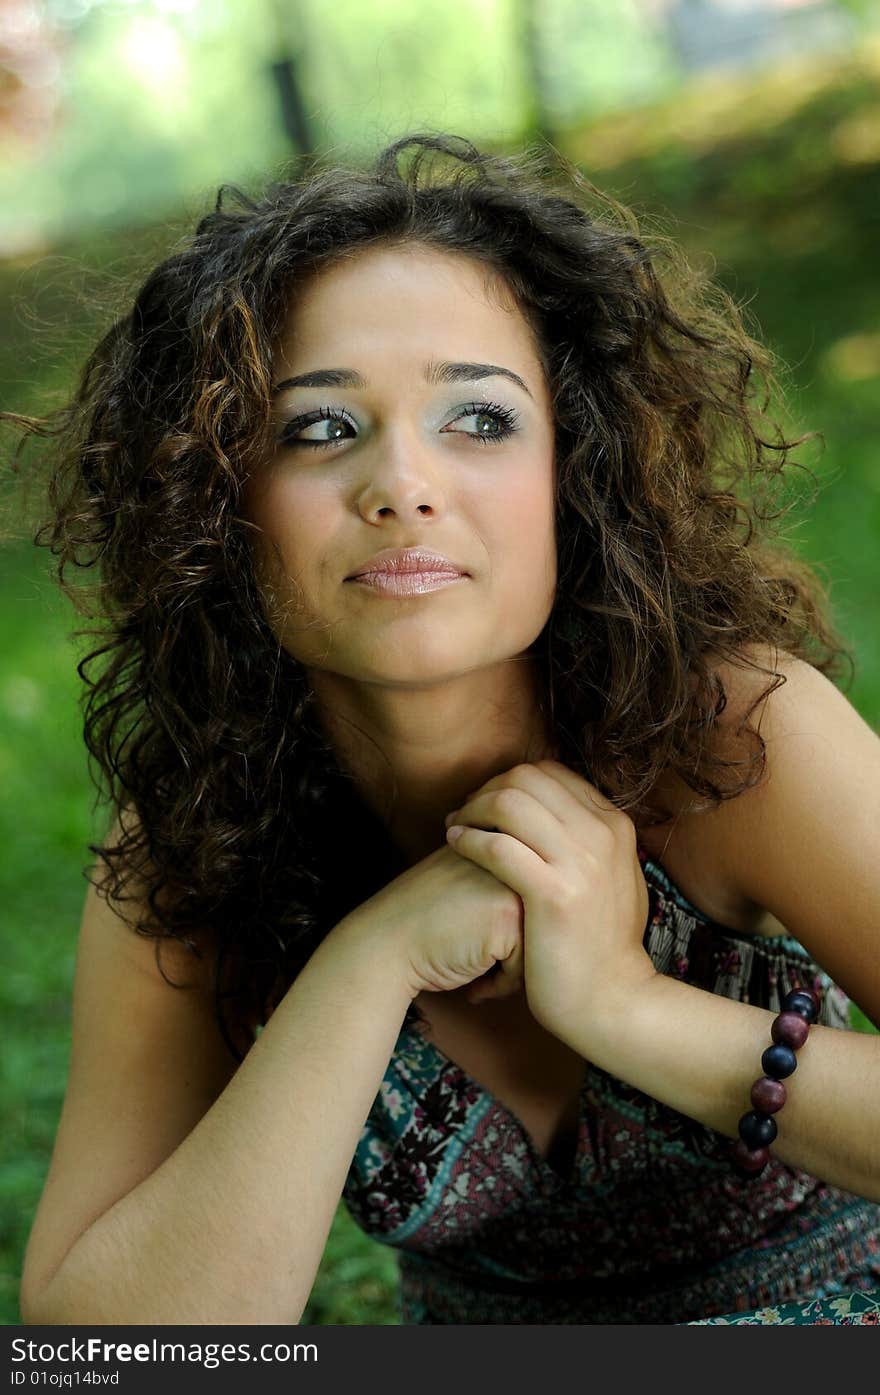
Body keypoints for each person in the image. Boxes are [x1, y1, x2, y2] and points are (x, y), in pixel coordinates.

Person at [8, 132, 880, 1327]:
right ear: (216, 500)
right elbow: (102, 1353)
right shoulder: (187, 856)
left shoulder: (732, 734)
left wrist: (627, 1006)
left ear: (570, 470)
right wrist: (369, 961)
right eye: (317, 429)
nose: (403, 485)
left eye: (477, 418)